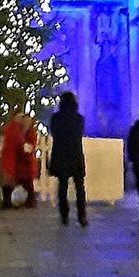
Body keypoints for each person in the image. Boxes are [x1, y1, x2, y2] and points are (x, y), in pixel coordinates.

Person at [49, 91, 87, 227]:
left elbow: (53, 132)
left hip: (60, 154)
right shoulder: (79, 118)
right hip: (75, 154)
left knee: (63, 186)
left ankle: (64, 215)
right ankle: (82, 215)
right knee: (79, 187)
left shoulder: (56, 118)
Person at [0, 109, 25, 209]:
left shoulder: (11, 127)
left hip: (8, 155)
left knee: (7, 179)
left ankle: (7, 201)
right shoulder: (15, 128)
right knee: (9, 179)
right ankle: (7, 201)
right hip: (11, 156)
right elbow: (18, 141)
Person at [15, 115, 37, 207]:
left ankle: (30, 200)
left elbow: (30, 146)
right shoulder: (19, 131)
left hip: (27, 161)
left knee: (28, 181)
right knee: (21, 180)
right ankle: (22, 199)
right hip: (20, 160)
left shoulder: (31, 132)